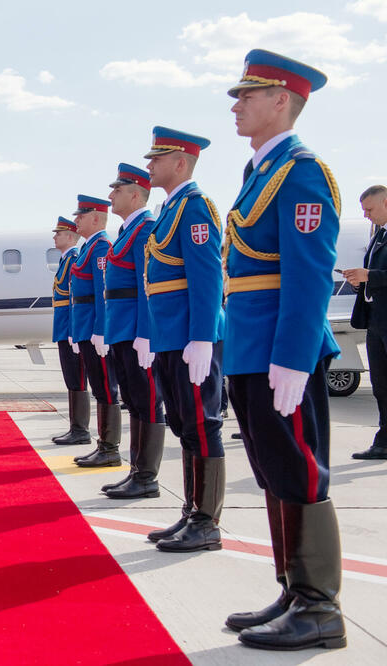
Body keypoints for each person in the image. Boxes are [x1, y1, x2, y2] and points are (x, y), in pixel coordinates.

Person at [223, 50, 345, 650]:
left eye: (248, 95)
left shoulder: (302, 172)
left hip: (280, 350)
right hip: (250, 345)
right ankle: (294, 589)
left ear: (281, 101)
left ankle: (321, 608)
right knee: (273, 470)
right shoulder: (260, 172)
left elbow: (310, 273)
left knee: (298, 470)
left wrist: (294, 355)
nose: (236, 105)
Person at [142, 126, 226, 553]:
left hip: (189, 339)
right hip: (170, 337)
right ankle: (193, 512)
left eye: (157, 158)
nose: (149, 165)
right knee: (183, 425)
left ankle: (207, 522)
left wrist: (202, 338)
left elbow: (207, 276)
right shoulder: (170, 210)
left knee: (201, 424)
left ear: (180, 162)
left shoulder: (195, 208)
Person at [101, 165, 166, 499]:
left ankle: (147, 476)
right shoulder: (128, 230)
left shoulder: (145, 228)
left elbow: (146, 285)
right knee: (135, 402)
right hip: (121, 327)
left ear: (136, 194)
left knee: (147, 401)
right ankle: (136, 471)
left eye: (118, 189)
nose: (111, 195)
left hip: (135, 329)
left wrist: (146, 333)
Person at [69, 196, 121, 468]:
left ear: (97, 219)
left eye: (82, 215)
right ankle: (104, 445)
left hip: (94, 330)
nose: (76, 219)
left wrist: (101, 330)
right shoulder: (89, 248)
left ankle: (110, 448)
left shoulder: (101, 248)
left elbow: (102, 294)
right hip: (86, 328)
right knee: (100, 389)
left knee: (106, 388)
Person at [344, 186, 387, 460]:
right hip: (376, 320)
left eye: (370, 209)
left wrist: (369, 275)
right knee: (381, 384)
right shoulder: (378, 235)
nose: (366, 215)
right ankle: (383, 441)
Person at [50, 216, 90, 446]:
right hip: (64, 327)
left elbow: (76, 298)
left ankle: (81, 429)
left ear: (70, 236)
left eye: (58, 233)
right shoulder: (66, 260)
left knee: (77, 378)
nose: (55, 237)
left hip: (70, 328)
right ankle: (76, 427)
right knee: (71, 379)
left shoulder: (74, 259)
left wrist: (74, 331)